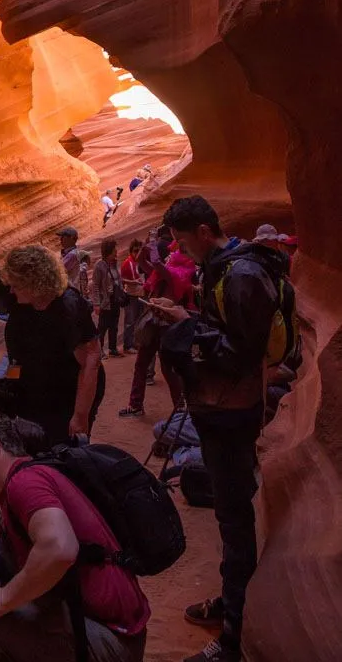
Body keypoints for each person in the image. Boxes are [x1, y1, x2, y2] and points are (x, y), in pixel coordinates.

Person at [157, 195, 287, 662]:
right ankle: (234, 601)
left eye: (182, 240)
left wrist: (185, 328)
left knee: (234, 517)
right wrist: (189, 320)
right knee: (228, 517)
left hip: (232, 410)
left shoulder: (243, 275)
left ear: (205, 232)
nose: (179, 249)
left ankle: (233, 635)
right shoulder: (223, 268)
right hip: (218, 407)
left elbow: (240, 356)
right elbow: (225, 337)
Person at [0, 413, 149, 662]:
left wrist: (1, 599)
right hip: (108, 627)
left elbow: (60, 548)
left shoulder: (24, 484)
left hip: (111, 642)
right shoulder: (26, 474)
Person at [0, 245, 103, 445]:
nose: (10, 290)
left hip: (67, 391)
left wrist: (80, 416)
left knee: (58, 445)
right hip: (35, 384)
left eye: (15, 285)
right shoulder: (23, 300)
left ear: (33, 283)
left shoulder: (69, 307)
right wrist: (10, 385)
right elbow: (17, 359)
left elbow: (91, 359)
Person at [118, 241, 194, 418]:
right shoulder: (167, 271)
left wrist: (153, 251)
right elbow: (145, 265)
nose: (172, 254)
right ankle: (137, 405)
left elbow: (159, 267)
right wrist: (143, 252)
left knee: (168, 368)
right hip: (154, 321)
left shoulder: (179, 274)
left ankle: (180, 407)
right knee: (142, 363)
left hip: (167, 324)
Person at [92, 239, 125, 358]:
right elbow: (95, 285)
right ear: (108, 251)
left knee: (114, 326)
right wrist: (96, 303)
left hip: (115, 299)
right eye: (114, 250)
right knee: (102, 327)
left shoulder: (115, 263)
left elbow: (118, 279)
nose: (116, 252)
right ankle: (99, 351)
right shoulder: (99, 265)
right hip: (105, 300)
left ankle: (112, 348)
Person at [120, 239, 144, 354]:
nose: (137, 253)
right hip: (131, 295)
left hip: (139, 294)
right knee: (129, 321)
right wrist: (133, 282)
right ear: (131, 251)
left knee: (138, 320)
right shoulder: (127, 263)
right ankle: (127, 345)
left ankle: (134, 343)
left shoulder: (138, 262)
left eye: (139, 251)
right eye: (135, 251)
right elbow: (122, 279)